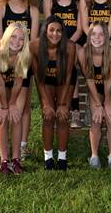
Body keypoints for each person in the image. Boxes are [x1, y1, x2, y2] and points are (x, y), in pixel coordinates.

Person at [0, 0, 40, 160]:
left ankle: (22, 145)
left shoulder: (33, 10)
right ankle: (5, 153)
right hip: (4, 61)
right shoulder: (1, 8)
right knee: (4, 109)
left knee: (23, 108)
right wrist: (7, 59)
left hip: (24, 61)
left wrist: (22, 59)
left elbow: (34, 40)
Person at [30, 16, 76, 171]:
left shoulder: (69, 46)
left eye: (58, 31)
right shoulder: (35, 46)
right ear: (45, 31)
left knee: (63, 117)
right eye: (51, 30)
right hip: (46, 82)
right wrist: (47, 104)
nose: (55, 34)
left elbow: (69, 75)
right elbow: (38, 78)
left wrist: (63, 104)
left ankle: (62, 158)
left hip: (64, 82)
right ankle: (48, 158)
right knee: (48, 116)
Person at [77, 21, 111, 170]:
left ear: (106, 37)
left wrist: (107, 103)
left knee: (110, 117)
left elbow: (109, 80)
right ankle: (94, 156)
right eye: (94, 34)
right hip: (94, 86)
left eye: (101, 34)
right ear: (89, 36)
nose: (97, 37)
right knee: (96, 119)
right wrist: (97, 104)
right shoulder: (83, 53)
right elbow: (89, 79)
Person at [43, 0, 83, 129]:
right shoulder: (49, 2)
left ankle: (75, 113)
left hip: (73, 42)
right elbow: (48, 28)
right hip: (53, 42)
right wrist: (58, 44)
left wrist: (68, 44)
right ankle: (52, 108)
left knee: (71, 63)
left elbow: (80, 29)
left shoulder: (79, 2)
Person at [0, 23, 31, 174]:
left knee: (16, 116)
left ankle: (16, 159)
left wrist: (12, 103)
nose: (16, 41)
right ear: (6, 37)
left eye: (21, 39)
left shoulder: (25, 54)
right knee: (2, 117)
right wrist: (5, 106)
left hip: (17, 83)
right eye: (13, 36)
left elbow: (19, 82)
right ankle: (4, 161)